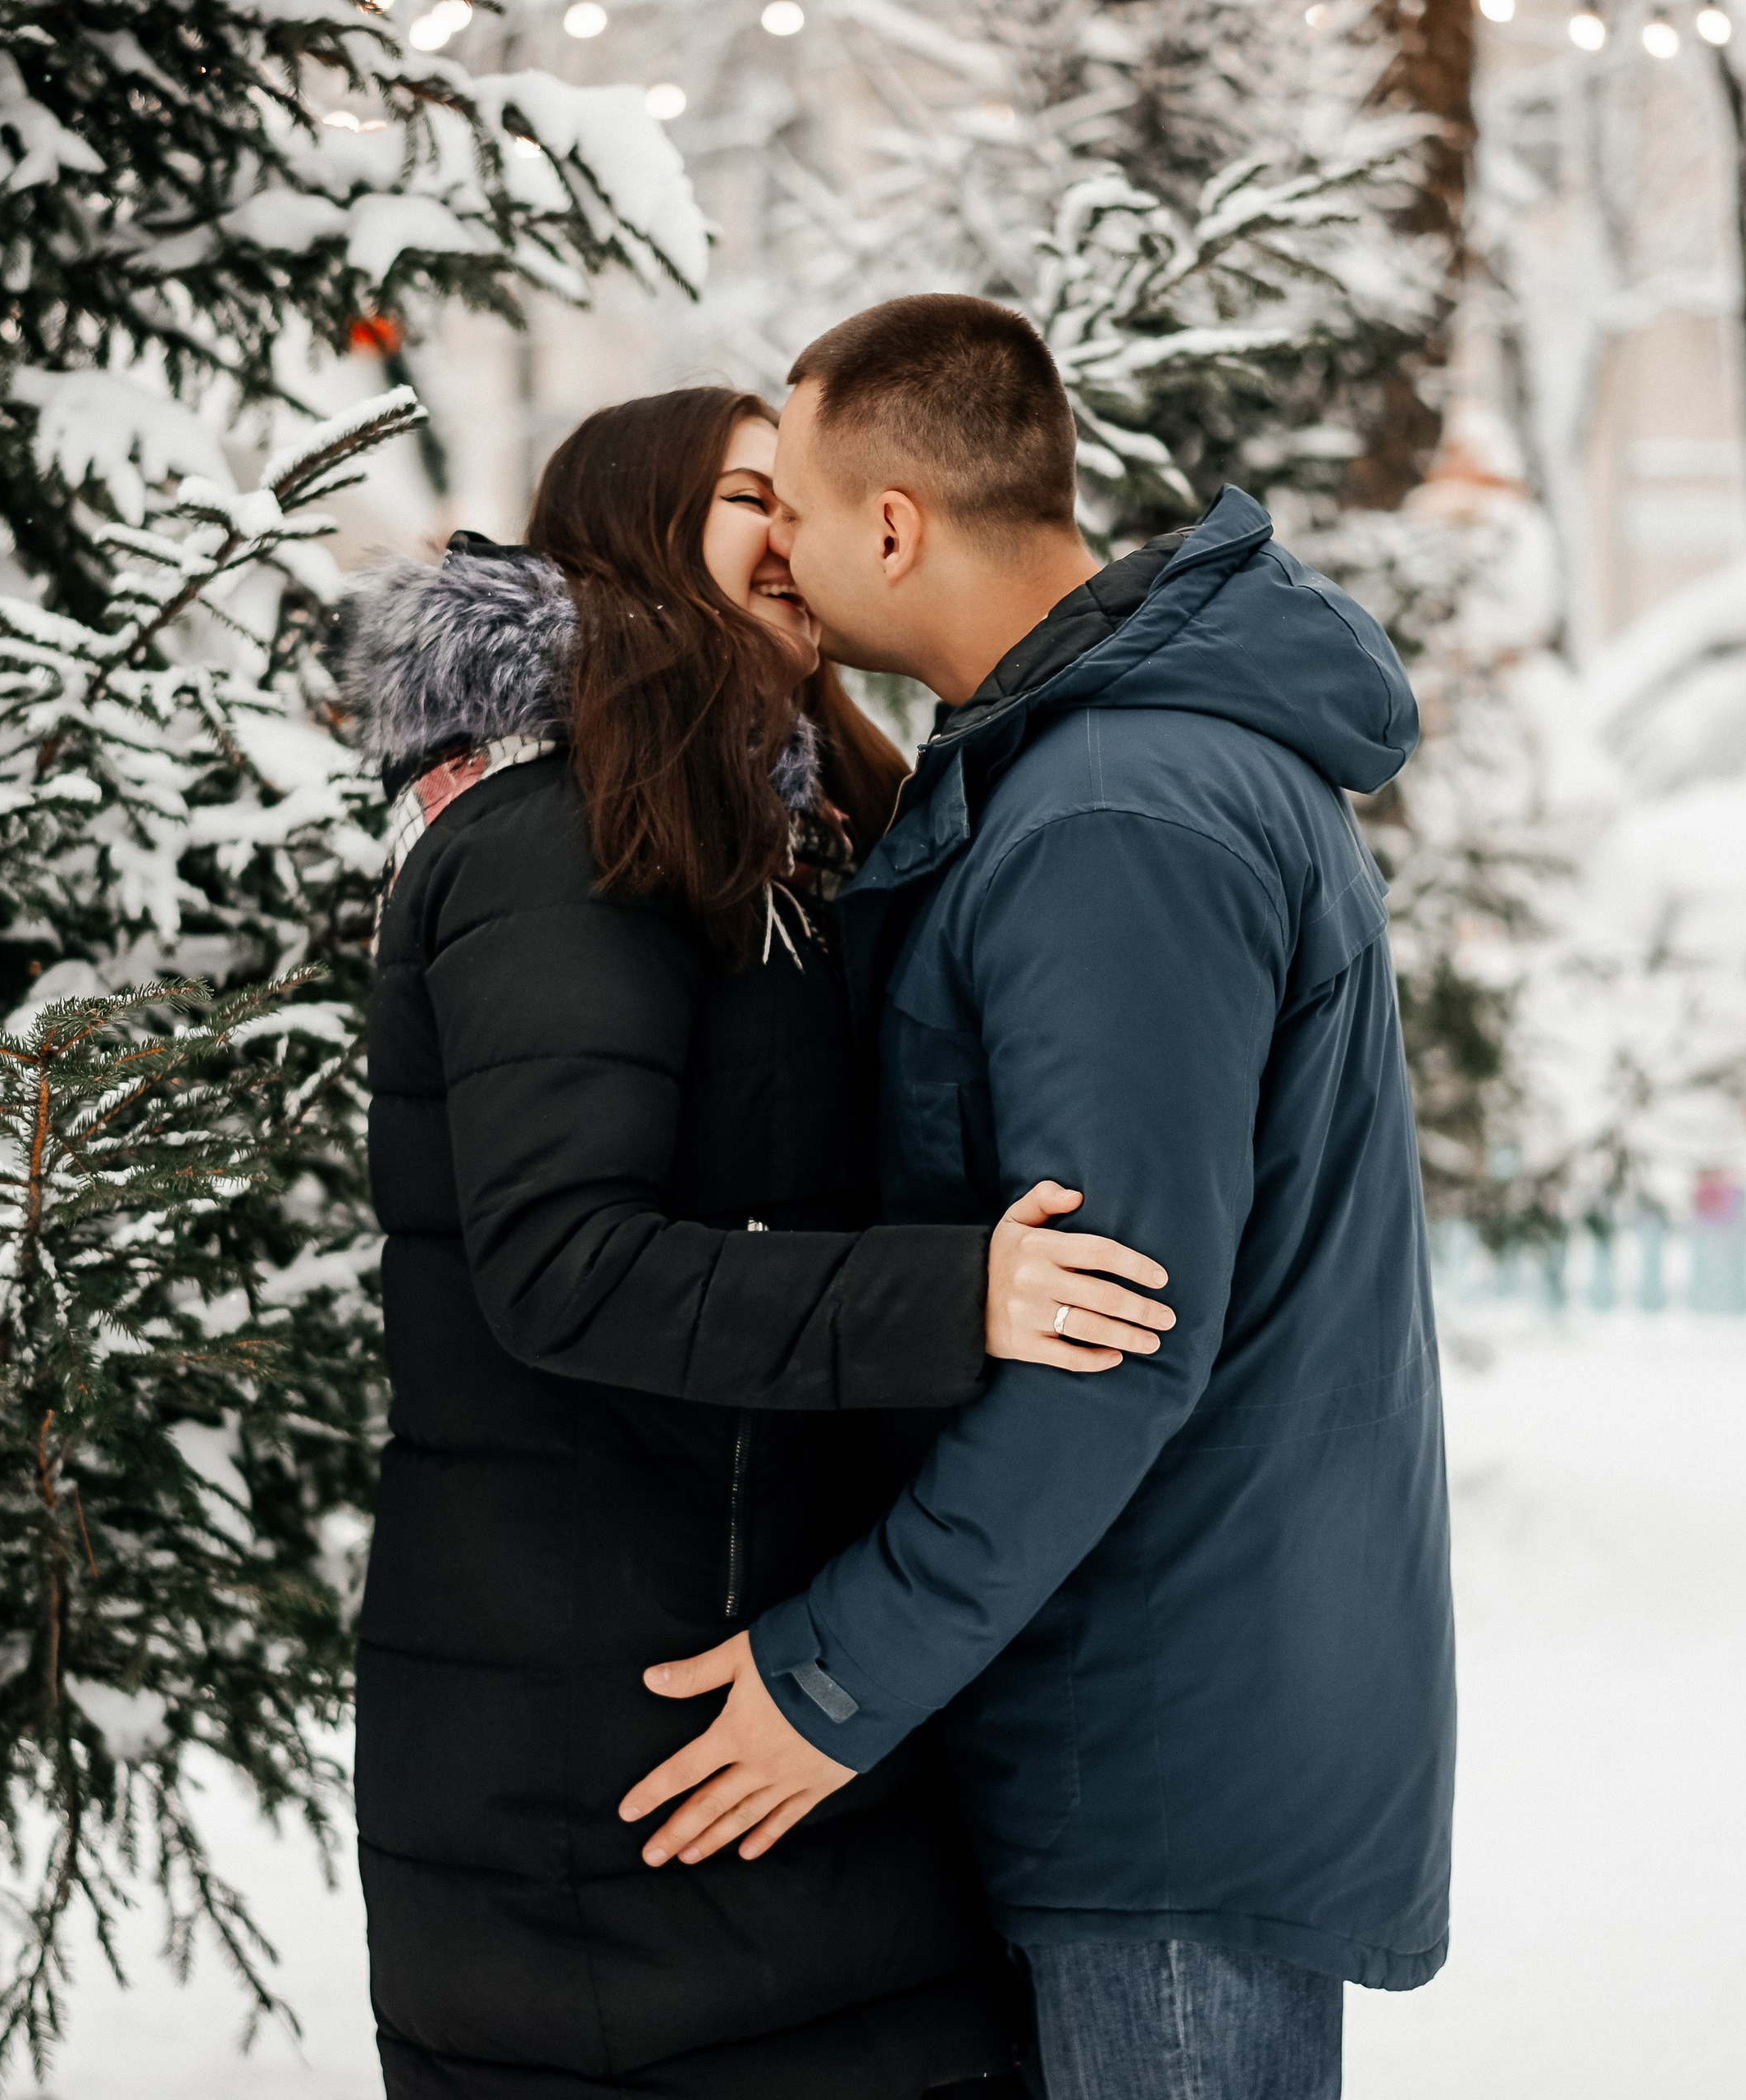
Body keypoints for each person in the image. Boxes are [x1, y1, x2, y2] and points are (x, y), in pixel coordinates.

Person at [622, 299, 1459, 2100]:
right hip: (1138, 1704)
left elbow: (1111, 1333)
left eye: (793, 513)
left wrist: (834, 1677)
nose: (776, 556)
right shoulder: (1089, 769)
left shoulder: (1110, 816)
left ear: (892, 527)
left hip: (1157, 1748)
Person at [339, 385, 1178, 2100]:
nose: (792, 533)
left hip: (763, 1722)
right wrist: (960, 1293)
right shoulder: (557, 828)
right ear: (637, 522)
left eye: (799, 498)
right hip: (609, 1774)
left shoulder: (778, 830)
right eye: (748, 496)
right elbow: (566, 1260)